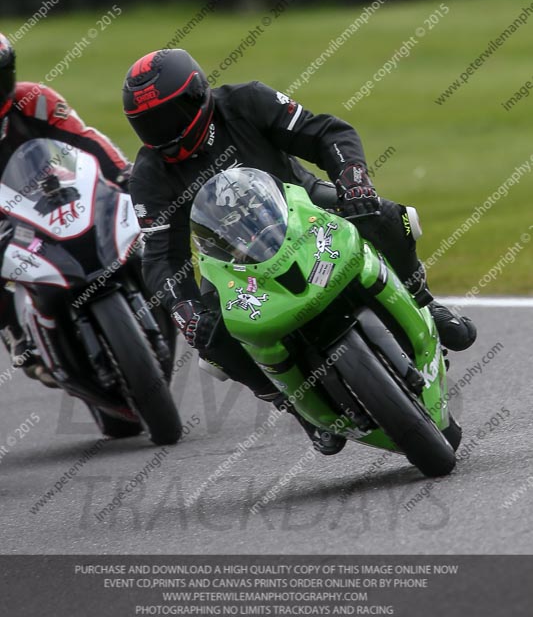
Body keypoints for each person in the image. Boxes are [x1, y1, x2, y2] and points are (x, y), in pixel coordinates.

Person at [123, 48, 476, 455]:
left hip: (304, 208)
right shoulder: (149, 175)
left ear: (198, 95)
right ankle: (291, 403)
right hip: (230, 262)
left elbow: (327, 133)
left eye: (169, 117)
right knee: (212, 340)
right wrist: (185, 310)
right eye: (147, 125)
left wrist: (352, 177)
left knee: (388, 216)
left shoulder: (247, 101)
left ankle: (425, 303)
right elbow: (160, 258)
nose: (162, 132)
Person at [0, 33, 131, 383]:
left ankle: (158, 287)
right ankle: (16, 336)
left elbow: (86, 138)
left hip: (61, 193)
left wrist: (124, 172)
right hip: (7, 219)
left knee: (130, 213)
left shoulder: (35, 100)